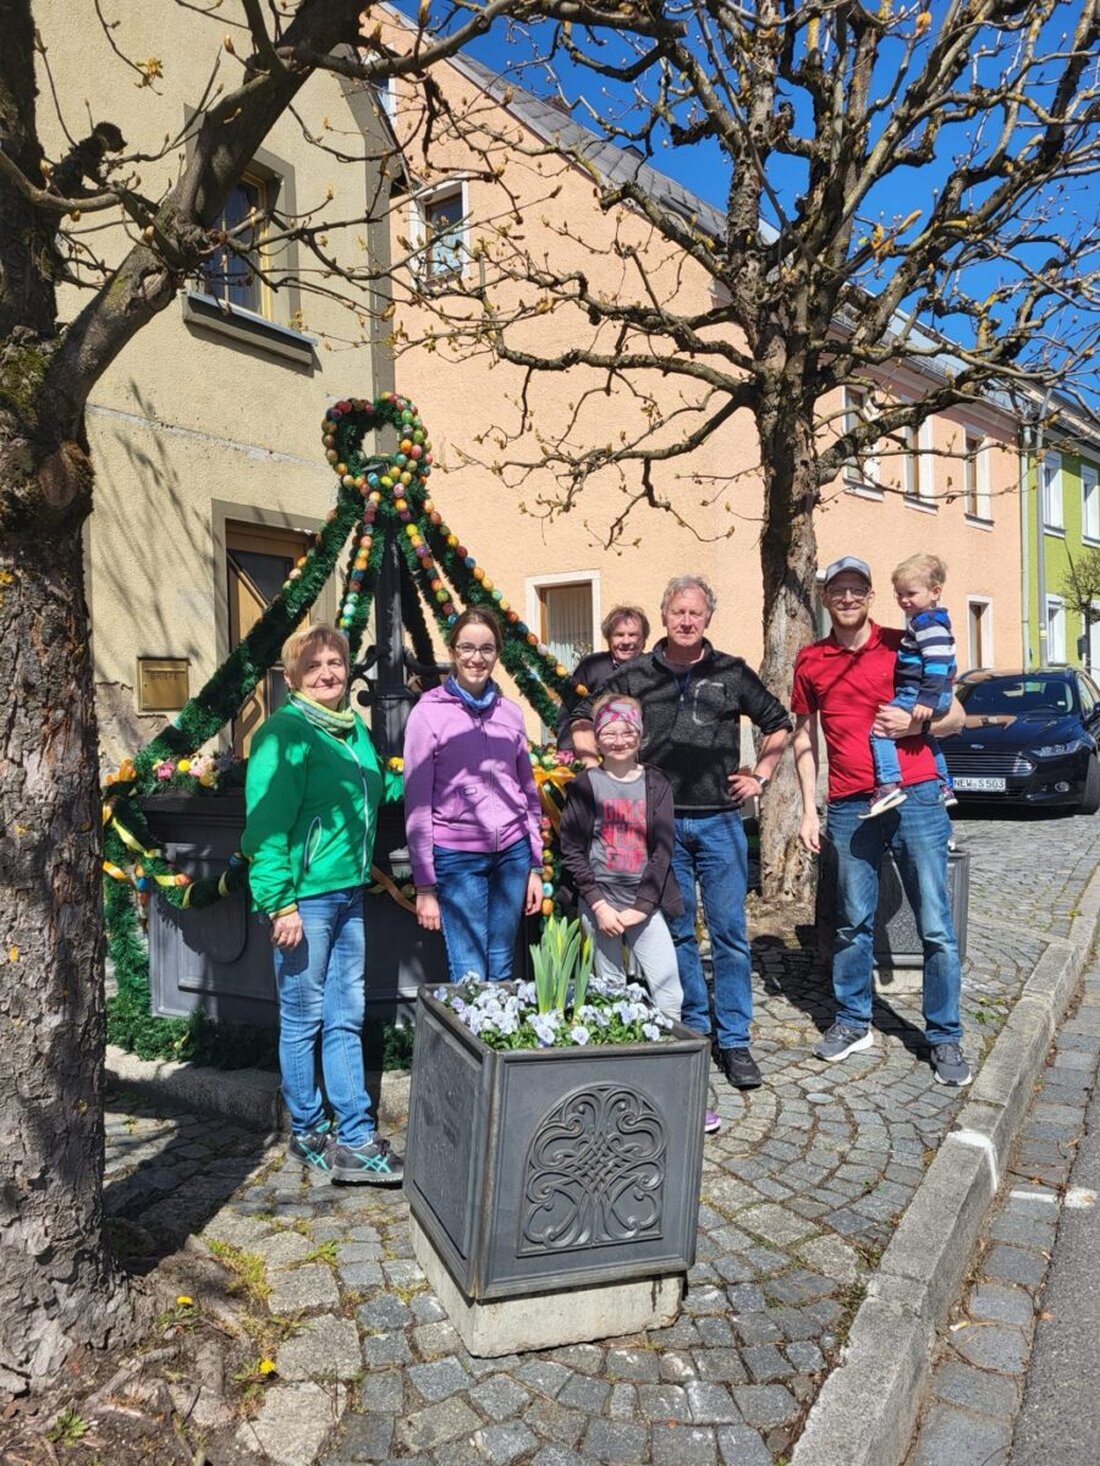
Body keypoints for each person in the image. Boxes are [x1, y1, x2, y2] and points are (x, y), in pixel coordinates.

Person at [571, 575, 791, 1090]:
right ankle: (692, 1026)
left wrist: (760, 776)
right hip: (657, 825)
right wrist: (594, 772)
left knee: (731, 934)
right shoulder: (636, 674)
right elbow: (584, 716)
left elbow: (779, 723)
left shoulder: (731, 673)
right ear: (664, 616)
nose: (686, 621)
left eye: (695, 613)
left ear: (707, 618)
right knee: (676, 932)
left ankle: (734, 1040)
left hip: (719, 821)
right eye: (677, 613)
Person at [791, 555, 971, 1086]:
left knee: (935, 924)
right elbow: (804, 736)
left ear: (871, 596)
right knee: (852, 921)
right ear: (826, 598)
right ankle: (853, 1021)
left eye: (857, 590)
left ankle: (944, 1036)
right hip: (849, 805)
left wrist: (916, 722)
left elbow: (956, 716)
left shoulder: (905, 640)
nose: (847, 598)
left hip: (915, 796)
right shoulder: (810, 659)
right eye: (837, 590)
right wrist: (808, 807)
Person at [242, 623, 403, 1185]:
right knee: (304, 1016)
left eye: (335, 663)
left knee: (345, 1016)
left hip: (349, 893)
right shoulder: (284, 734)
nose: (328, 673)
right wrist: (278, 904)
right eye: (314, 667)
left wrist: (425, 776)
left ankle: (354, 1135)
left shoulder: (351, 731)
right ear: (292, 678)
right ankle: (308, 1127)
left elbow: (374, 793)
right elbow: (265, 826)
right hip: (304, 901)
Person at [559, 692, 723, 1135]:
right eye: (608, 731)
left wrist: (640, 908)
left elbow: (663, 848)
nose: (617, 739)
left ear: (640, 735)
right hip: (601, 904)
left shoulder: (656, 783)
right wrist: (597, 903)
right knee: (609, 991)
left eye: (626, 731)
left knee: (667, 988)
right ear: (596, 736)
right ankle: (617, 1088)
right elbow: (572, 850)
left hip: (642, 905)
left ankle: (670, 1084)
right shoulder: (584, 785)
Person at [403, 607, 543, 981]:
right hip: (457, 855)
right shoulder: (428, 714)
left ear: (497, 654)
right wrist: (425, 884)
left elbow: (527, 793)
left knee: (502, 964)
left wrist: (535, 865)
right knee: (468, 971)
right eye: (467, 647)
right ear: (452, 651)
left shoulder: (510, 714)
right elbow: (417, 805)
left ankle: (498, 1042)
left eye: (487, 649)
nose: (476, 658)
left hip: (512, 855)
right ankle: (468, 1042)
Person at [865, 552, 958, 818]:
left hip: (921, 692)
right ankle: (944, 785)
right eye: (899, 594)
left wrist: (926, 699)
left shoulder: (927, 623)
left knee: (881, 729)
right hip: (930, 693)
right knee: (926, 737)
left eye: (911, 594)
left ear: (935, 591)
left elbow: (938, 663)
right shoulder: (927, 621)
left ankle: (888, 784)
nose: (904, 600)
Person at [557, 604, 650, 751]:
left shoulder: (653, 669)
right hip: (597, 755)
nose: (626, 641)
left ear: (643, 640)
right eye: (619, 635)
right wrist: (567, 754)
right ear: (608, 639)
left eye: (633, 635)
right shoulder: (591, 666)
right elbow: (568, 711)